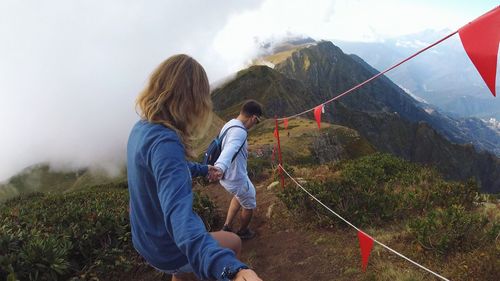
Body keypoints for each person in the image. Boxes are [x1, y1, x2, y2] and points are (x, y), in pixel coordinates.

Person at [127, 54, 262, 281]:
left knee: (183, 269)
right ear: (191, 101)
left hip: (143, 235)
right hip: (165, 245)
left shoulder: (141, 128)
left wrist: (202, 169)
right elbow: (180, 219)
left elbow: (164, 168)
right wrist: (232, 270)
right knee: (234, 243)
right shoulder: (166, 142)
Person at [214, 100, 263, 240]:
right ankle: (243, 232)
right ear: (253, 117)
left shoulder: (230, 124)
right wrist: (220, 167)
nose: (255, 124)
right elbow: (230, 149)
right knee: (249, 202)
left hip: (228, 176)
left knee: (239, 196)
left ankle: (227, 226)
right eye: (257, 121)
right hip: (234, 176)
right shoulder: (240, 132)